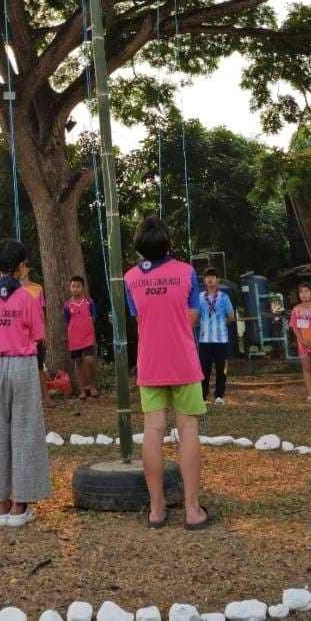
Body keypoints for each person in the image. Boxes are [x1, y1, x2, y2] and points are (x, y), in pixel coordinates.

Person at [124, 216, 208, 530]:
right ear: (168, 244)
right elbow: (193, 316)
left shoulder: (130, 278)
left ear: (139, 248)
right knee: (187, 429)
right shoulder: (186, 272)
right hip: (184, 362)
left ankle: (156, 509)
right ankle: (191, 509)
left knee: (153, 430)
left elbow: (138, 317)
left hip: (150, 362)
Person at [0, 238, 50, 528]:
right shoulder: (27, 298)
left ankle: (1, 505)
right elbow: (38, 333)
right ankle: (21, 505)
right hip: (22, 364)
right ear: (21, 267)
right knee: (25, 429)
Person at [196, 267, 235, 405]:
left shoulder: (224, 297)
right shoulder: (199, 297)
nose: (210, 279)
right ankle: (202, 396)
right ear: (204, 280)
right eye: (207, 277)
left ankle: (219, 395)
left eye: (213, 277)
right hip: (204, 339)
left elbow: (231, 317)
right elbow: (195, 315)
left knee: (221, 368)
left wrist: (219, 323)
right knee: (203, 369)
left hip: (221, 339)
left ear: (217, 280)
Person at [20, 257, 52, 409]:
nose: (21, 269)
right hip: (20, 335)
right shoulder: (14, 290)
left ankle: (46, 397)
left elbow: (42, 312)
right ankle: (27, 400)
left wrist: (44, 332)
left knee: (39, 366)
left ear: (28, 269)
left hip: (37, 334)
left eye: (23, 266)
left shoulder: (37, 288)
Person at [64, 276, 100, 399]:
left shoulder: (89, 302)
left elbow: (94, 316)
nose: (76, 289)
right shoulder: (67, 305)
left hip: (88, 337)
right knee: (78, 363)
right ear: (70, 288)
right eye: (73, 286)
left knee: (89, 360)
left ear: (83, 288)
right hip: (74, 339)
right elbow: (67, 321)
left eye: (78, 286)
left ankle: (92, 385)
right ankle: (82, 389)